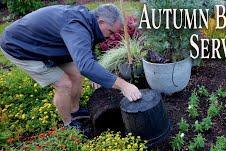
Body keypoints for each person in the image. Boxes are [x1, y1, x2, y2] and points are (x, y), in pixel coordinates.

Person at [0, 4, 142, 131]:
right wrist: (124, 85)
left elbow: (85, 49)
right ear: (102, 22)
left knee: (76, 74)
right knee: (64, 84)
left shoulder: (87, 19)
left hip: (48, 45)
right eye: (110, 32)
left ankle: (75, 110)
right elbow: (85, 65)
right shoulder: (76, 26)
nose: (110, 37)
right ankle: (68, 124)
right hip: (21, 47)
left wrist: (95, 72)